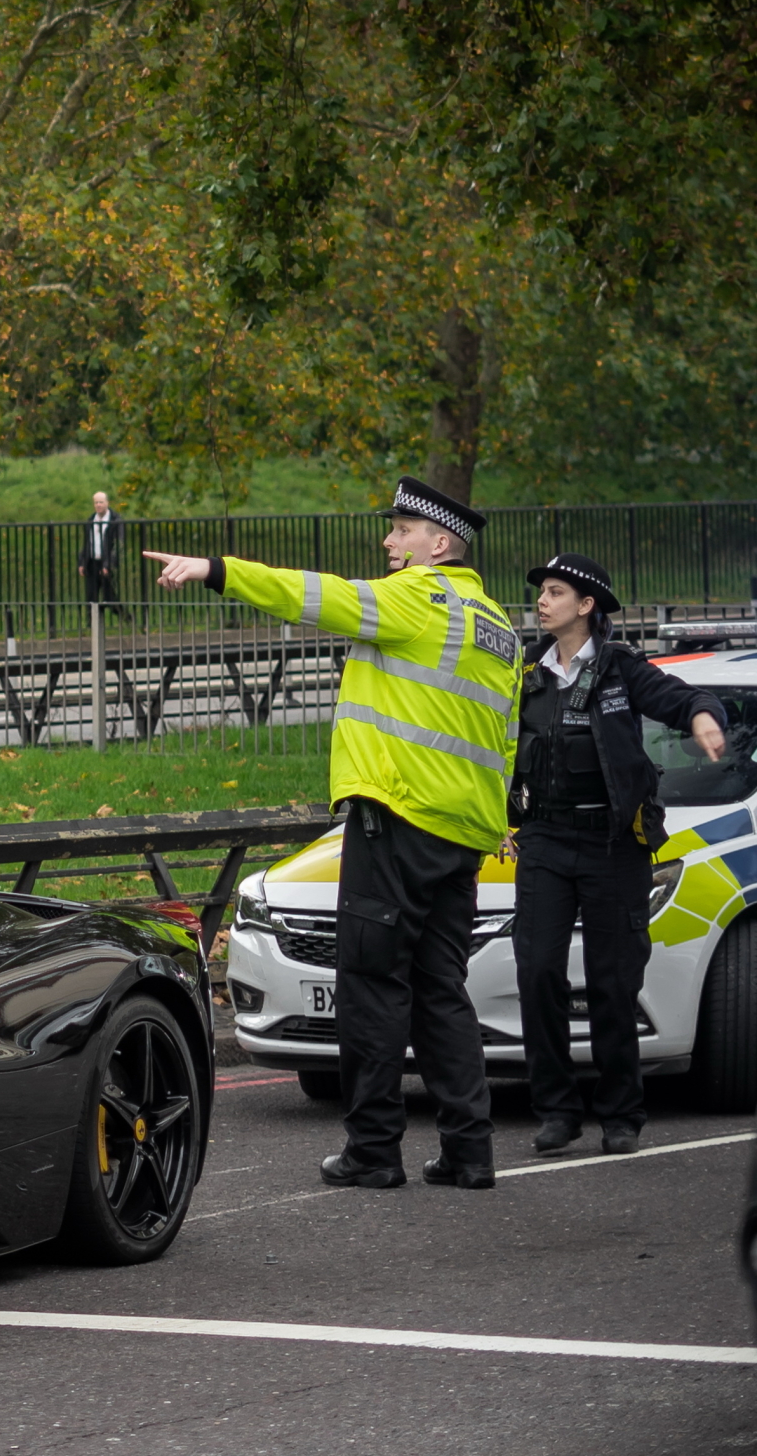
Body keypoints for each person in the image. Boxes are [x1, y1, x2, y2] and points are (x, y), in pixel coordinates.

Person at [147, 478, 521, 1190]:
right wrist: (488, 826)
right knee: (442, 989)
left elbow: (313, 594)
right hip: (461, 836)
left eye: (402, 530)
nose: (388, 541)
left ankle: (374, 1150)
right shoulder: (499, 627)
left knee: (374, 987)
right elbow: (505, 742)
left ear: (438, 546)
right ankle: (470, 1151)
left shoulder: (419, 597)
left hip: (398, 819)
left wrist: (216, 570)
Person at [507, 554, 728, 1157]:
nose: (542, 601)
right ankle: (555, 1110)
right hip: (545, 841)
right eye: (542, 592)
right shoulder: (525, 670)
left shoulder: (621, 667)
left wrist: (705, 717)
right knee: (538, 972)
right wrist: (503, 817)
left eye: (556, 592)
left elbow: (679, 697)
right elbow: (496, 743)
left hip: (613, 843)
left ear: (586, 606)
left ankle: (621, 1113)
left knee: (612, 981)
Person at [78, 490, 131, 621]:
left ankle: (126, 618)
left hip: (107, 563)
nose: (98, 505)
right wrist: (82, 562)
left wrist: (108, 564)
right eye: (96, 502)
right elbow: (87, 543)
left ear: (107, 503)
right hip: (92, 563)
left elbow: (119, 544)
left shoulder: (115, 520)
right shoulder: (91, 520)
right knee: (91, 596)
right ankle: (91, 626)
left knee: (109, 596)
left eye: (101, 502)